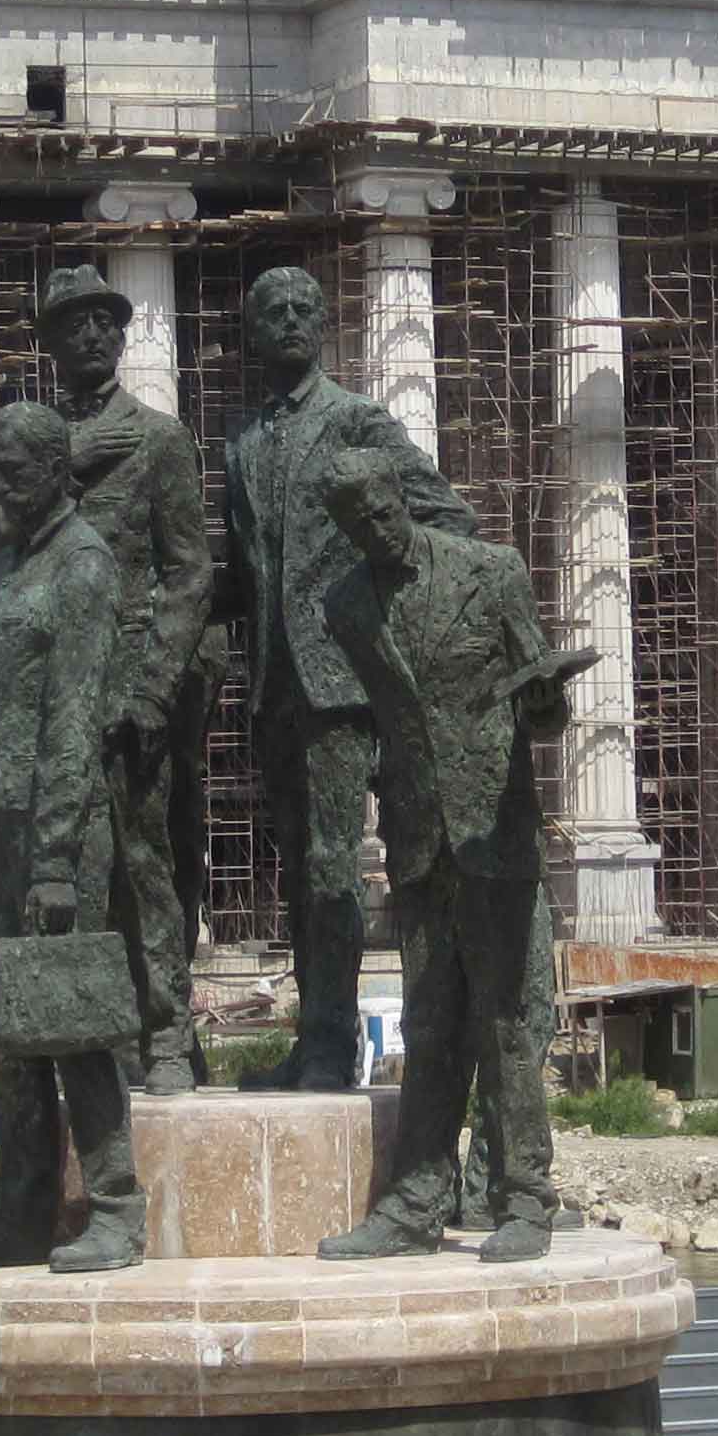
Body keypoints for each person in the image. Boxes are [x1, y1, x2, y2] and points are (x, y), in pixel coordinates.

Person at [308, 451, 587, 1263]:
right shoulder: (348, 605)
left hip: (493, 832)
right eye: (356, 525)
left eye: (381, 513)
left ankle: (524, 1197)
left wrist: (544, 703)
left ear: (401, 498)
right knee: (430, 1020)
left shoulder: (491, 572)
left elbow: (545, 709)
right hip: (418, 836)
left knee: (504, 1020)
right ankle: (414, 1204)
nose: (374, 531)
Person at [216, 266, 471, 1090]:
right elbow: (247, 570)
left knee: (333, 861)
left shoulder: (357, 420)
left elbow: (444, 519)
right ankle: (314, 1035)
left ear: (324, 326)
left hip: (343, 681)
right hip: (275, 683)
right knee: (298, 865)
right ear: (253, 333)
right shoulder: (243, 442)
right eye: (272, 312)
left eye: (303, 310)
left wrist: (390, 618)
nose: (289, 322)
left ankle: (331, 1047)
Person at [0, 400, 146, 1276]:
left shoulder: (84, 565)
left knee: (74, 1017)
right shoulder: (16, 554)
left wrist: (57, 858)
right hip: (7, 817)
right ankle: (21, 1208)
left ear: (59, 472)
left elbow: (75, 719)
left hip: (64, 827)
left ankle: (118, 1207)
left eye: (13, 471)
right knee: (9, 1026)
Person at [27, 262, 215, 1095]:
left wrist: (154, 685)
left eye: (105, 320)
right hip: (52, 684)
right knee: (62, 863)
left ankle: (166, 1033)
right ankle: (90, 1041)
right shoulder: (33, 447)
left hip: (132, 682)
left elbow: (190, 575)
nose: (92, 335)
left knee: (146, 863)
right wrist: (64, 460)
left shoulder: (161, 439)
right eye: (74, 323)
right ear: (52, 342)